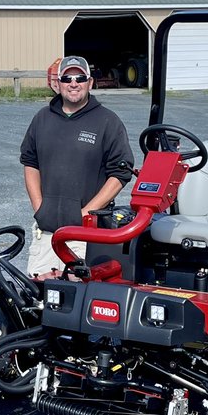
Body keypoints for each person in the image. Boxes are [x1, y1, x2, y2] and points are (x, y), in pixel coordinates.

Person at [19, 55, 135, 276]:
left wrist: (86, 214)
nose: (74, 83)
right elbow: (30, 162)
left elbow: (120, 173)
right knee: (40, 300)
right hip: (47, 235)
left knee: (79, 302)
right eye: (67, 78)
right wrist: (39, 206)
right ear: (57, 83)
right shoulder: (42, 119)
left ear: (90, 83)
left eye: (80, 77)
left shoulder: (108, 121)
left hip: (86, 238)